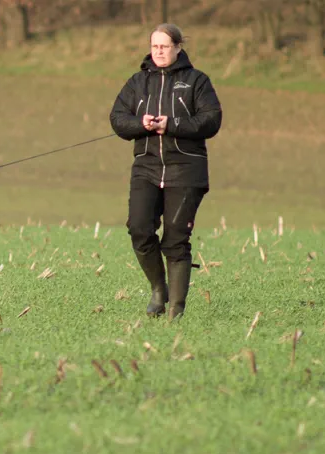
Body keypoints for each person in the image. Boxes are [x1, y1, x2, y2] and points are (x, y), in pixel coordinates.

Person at [109, 23, 222, 321]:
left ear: (178, 48)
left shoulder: (197, 81)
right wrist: (140, 124)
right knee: (139, 229)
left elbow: (211, 120)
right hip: (146, 167)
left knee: (175, 239)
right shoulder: (137, 83)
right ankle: (159, 290)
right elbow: (118, 118)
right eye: (155, 46)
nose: (159, 51)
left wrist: (170, 125)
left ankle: (176, 310)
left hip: (186, 169)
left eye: (165, 46)